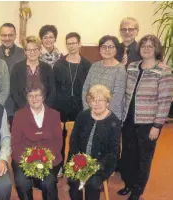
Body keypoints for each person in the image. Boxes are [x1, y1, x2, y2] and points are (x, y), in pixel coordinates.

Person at [119, 35, 173, 200]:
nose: (147, 48)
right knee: (129, 156)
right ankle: (129, 183)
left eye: (151, 46)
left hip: (148, 124)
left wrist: (157, 126)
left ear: (157, 49)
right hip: (128, 120)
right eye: (144, 45)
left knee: (143, 159)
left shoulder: (164, 71)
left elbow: (164, 101)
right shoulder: (132, 67)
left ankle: (137, 192)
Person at [68, 84, 121, 200]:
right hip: (79, 160)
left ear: (107, 102)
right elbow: (74, 140)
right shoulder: (83, 116)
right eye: (93, 100)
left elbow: (113, 151)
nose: (96, 103)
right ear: (89, 102)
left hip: (101, 164)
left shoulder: (114, 121)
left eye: (100, 100)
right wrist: (77, 159)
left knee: (93, 184)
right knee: (73, 181)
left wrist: (95, 166)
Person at [11, 81, 63, 200]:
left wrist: (44, 158)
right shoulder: (19, 115)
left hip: (49, 159)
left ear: (43, 97)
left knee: (48, 183)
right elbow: (16, 143)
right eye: (30, 96)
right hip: (24, 159)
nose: (34, 99)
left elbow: (57, 141)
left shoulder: (54, 115)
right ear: (27, 98)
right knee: (22, 183)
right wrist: (30, 160)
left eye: (37, 95)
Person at [53, 32, 91, 176]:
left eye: (74, 43)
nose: (72, 46)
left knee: (78, 137)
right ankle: (59, 165)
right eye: (69, 43)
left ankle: (75, 165)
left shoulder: (87, 64)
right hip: (61, 107)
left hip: (80, 107)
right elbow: (54, 86)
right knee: (59, 137)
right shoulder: (59, 64)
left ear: (79, 44)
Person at [82, 35, 126, 121]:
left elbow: (117, 97)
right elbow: (85, 89)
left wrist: (101, 114)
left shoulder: (120, 69)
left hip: (110, 116)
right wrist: (88, 110)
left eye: (110, 47)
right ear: (99, 49)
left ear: (116, 49)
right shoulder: (94, 66)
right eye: (103, 47)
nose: (107, 50)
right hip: (91, 114)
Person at [11, 35, 56, 113]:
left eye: (35, 49)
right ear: (25, 51)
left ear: (40, 50)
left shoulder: (47, 68)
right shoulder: (17, 68)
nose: (32, 52)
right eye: (29, 50)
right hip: (22, 110)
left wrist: (43, 108)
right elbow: (14, 91)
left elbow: (52, 91)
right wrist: (26, 109)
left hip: (44, 111)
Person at [0, 23, 26, 126]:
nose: (7, 38)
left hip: (19, 104)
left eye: (10, 35)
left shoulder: (24, 53)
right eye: (4, 35)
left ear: (15, 35)